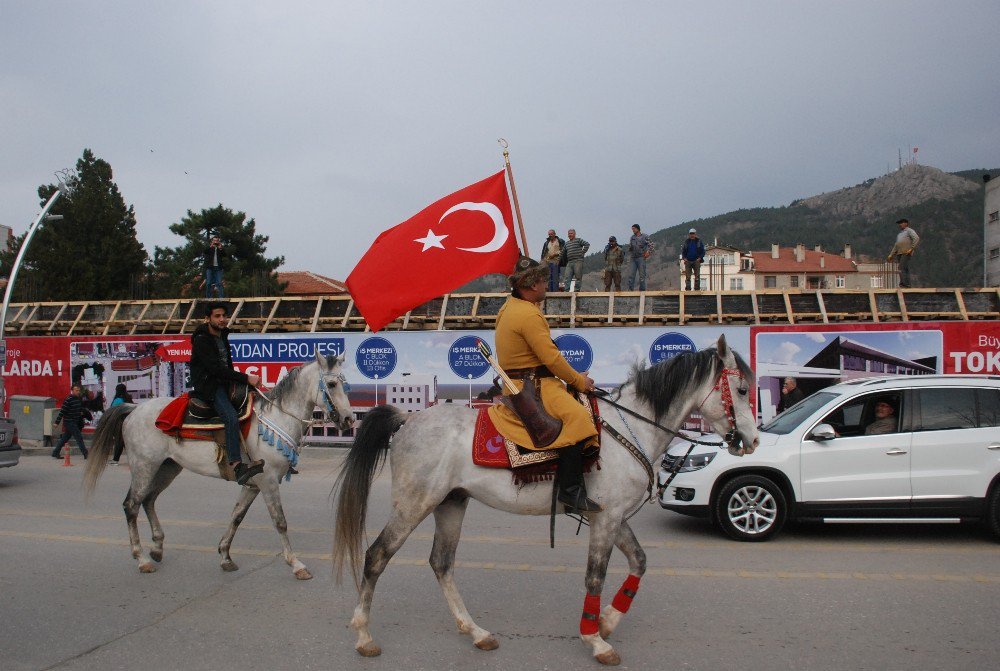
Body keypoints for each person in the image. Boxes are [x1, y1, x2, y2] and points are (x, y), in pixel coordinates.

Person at [487, 256, 602, 513]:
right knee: (579, 419)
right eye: (542, 280)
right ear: (530, 286)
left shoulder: (510, 307)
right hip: (534, 386)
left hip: (520, 382)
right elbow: (551, 358)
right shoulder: (528, 314)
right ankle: (570, 491)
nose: (547, 284)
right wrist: (579, 381)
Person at [189, 302, 264, 485]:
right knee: (230, 416)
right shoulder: (201, 340)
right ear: (207, 319)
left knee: (255, 402)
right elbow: (215, 369)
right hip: (209, 386)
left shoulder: (223, 335)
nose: (222, 319)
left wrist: (243, 384)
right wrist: (246, 378)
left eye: (224, 315)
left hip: (224, 382)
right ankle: (237, 466)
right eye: (217, 316)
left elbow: (227, 366)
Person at [51, 384, 92, 459]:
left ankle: (55, 452)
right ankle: (86, 454)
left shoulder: (78, 399)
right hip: (69, 422)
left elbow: (78, 410)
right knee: (79, 437)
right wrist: (56, 422)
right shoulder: (68, 400)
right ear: (72, 391)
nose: (78, 392)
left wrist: (82, 413)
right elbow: (62, 412)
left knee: (65, 438)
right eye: (76, 390)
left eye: (79, 390)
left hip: (74, 422)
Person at [887, 218, 920, 288]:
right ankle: (907, 284)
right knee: (905, 268)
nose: (900, 225)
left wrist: (911, 248)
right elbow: (896, 245)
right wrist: (891, 255)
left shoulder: (909, 231)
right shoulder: (899, 234)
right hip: (899, 253)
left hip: (906, 252)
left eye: (901, 223)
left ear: (906, 223)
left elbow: (916, 238)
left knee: (900, 268)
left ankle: (903, 284)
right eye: (899, 223)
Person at [108, 383, 134, 464]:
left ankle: (115, 460)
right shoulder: (128, 398)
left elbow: (111, 412)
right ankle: (132, 459)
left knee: (119, 441)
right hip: (129, 422)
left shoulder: (118, 400)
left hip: (119, 423)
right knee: (125, 442)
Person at [627, 224, 653, 291]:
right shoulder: (632, 237)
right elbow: (630, 247)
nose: (633, 230)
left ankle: (642, 290)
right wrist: (630, 248)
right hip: (633, 258)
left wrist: (648, 252)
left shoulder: (645, 236)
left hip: (641, 257)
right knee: (631, 275)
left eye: (634, 229)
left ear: (638, 229)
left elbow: (651, 245)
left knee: (642, 275)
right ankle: (630, 290)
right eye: (632, 229)